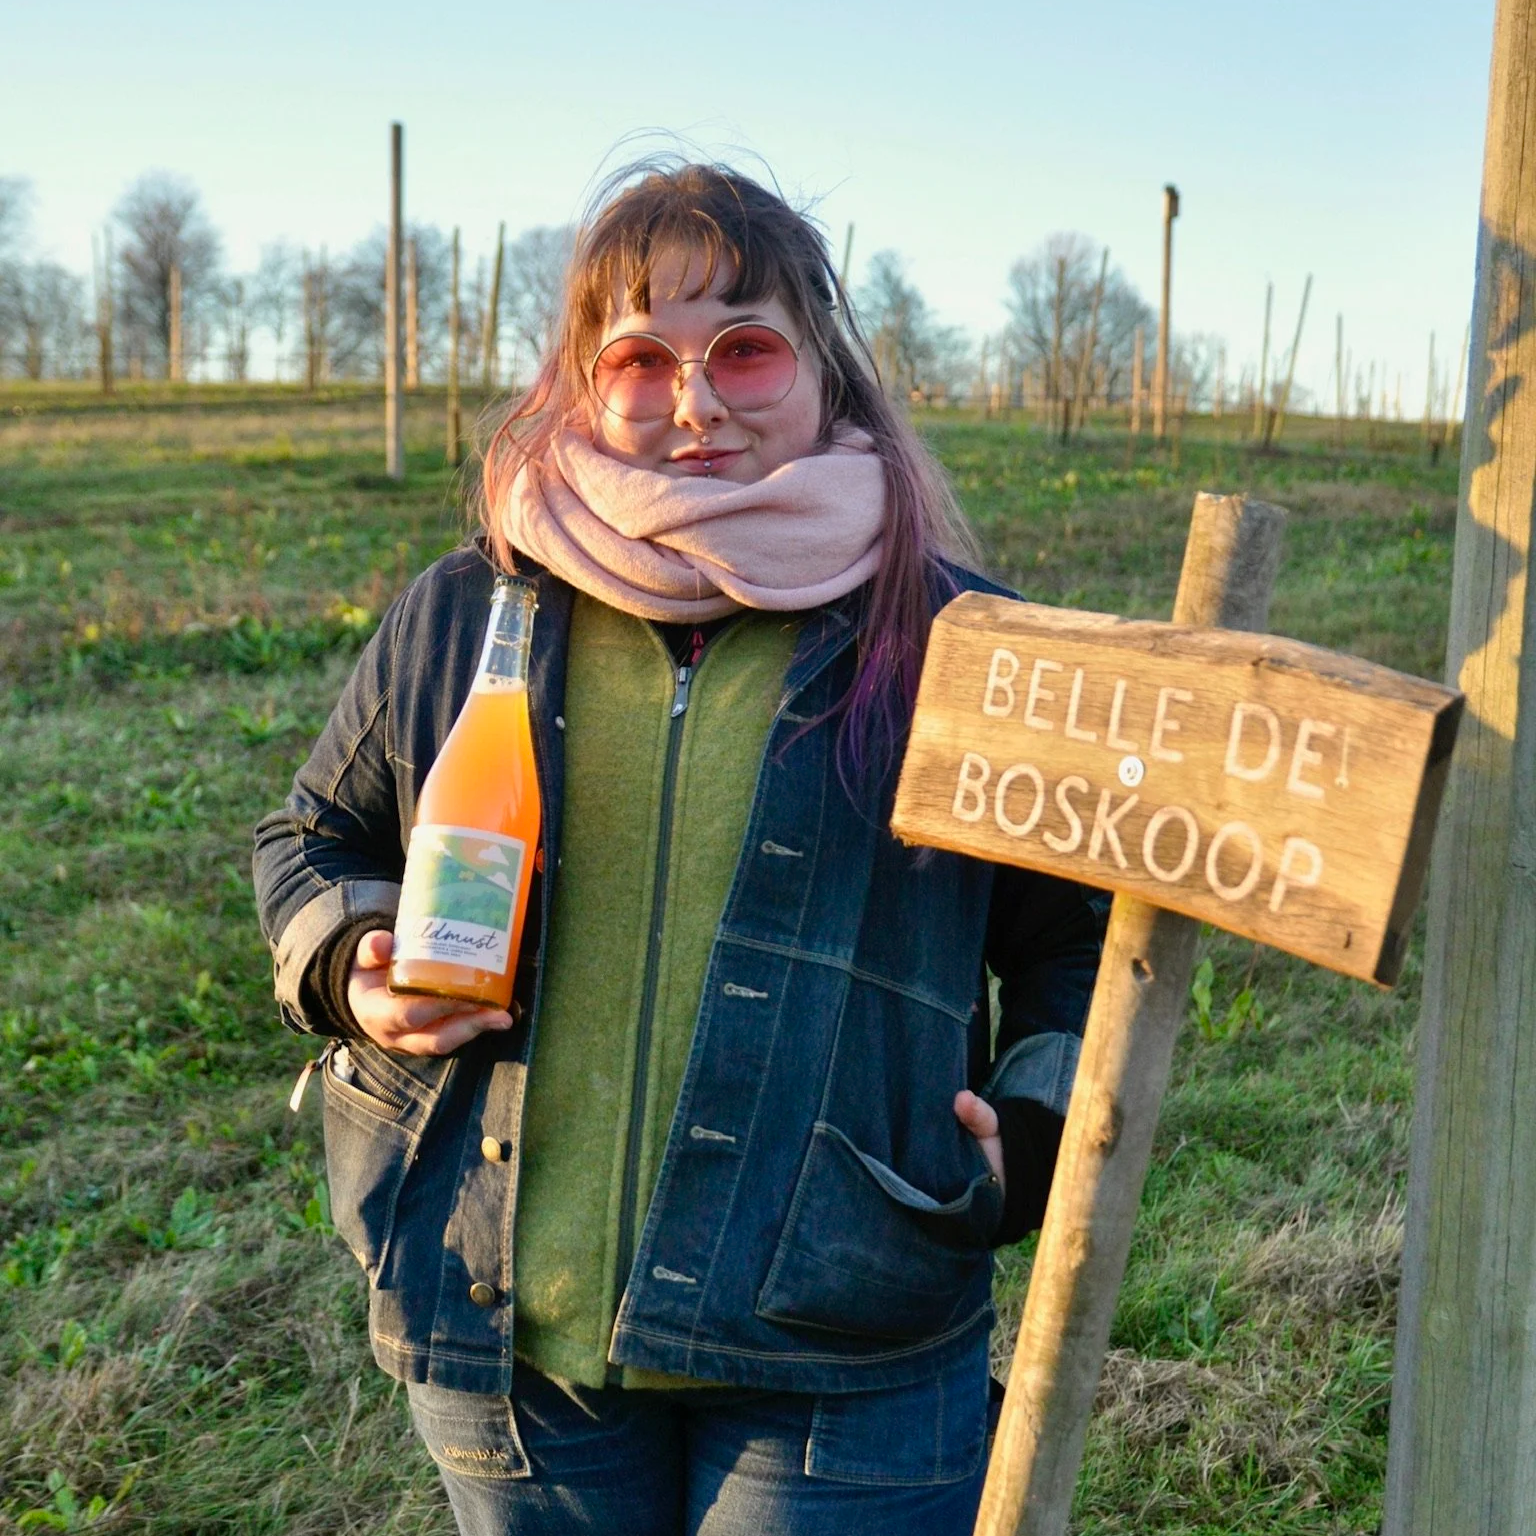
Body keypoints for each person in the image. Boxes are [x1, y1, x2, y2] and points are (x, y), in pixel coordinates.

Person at [253, 160, 1107, 1536]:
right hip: (505, 1326)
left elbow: (1077, 943)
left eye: (746, 352)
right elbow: (313, 836)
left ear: (826, 371)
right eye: (640, 360)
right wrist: (354, 961)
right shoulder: (468, 610)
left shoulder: (955, 642)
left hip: (844, 1341)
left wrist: (1032, 1130)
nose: (696, 403)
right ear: (584, 387)